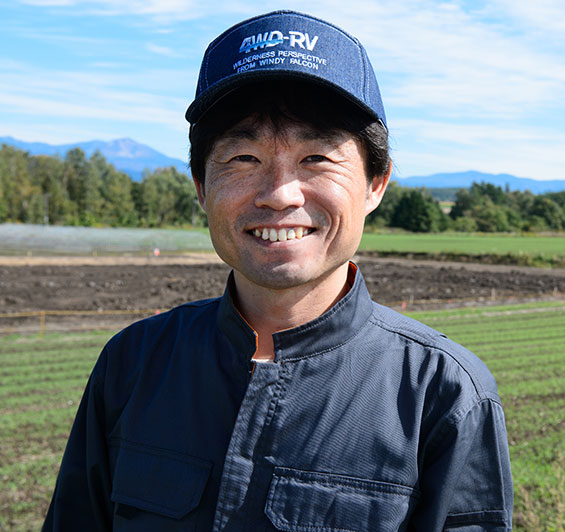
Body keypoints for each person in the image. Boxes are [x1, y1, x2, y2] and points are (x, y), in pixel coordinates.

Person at [43, 10, 513, 531]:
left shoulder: (443, 394)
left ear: (375, 184)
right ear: (201, 187)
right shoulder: (132, 364)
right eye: (243, 159)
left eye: (316, 158)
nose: (279, 195)